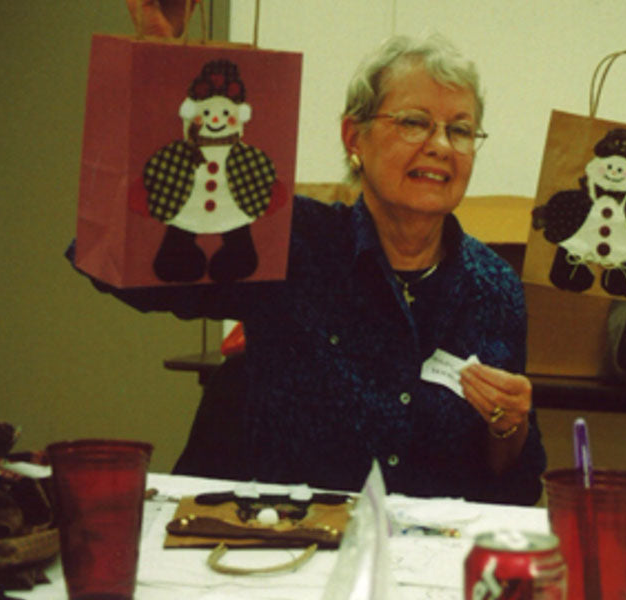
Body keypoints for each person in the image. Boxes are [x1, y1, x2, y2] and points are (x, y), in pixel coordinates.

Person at [71, 3, 546, 504]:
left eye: (461, 129)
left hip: (427, 567)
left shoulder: (494, 287)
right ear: (353, 137)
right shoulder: (292, 241)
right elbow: (131, 267)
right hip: (290, 554)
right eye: (414, 122)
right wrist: (160, 59)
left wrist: (507, 426)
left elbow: (513, 486)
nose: (441, 145)